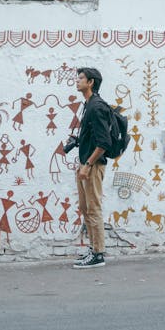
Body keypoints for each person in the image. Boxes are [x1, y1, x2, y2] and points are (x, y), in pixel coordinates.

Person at [72, 66, 111, 269]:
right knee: (85, 207)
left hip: (93, 165)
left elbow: (104, 143)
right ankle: (93, 248)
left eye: (81, 78)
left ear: (91, 82)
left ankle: (98, 254)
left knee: (93, 208)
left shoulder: (97, 106)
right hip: (85, 164)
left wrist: (87, 165)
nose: (77, 81)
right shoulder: (88, 105)